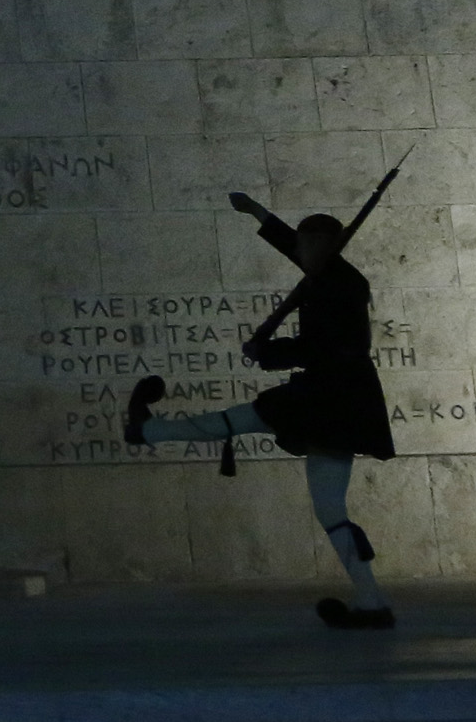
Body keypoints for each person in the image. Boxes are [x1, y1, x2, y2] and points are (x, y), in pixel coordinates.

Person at [125, 189, 398, 630]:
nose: (301, 252)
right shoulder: (328, 274)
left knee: (247, 416)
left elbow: (319, 346)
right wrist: (255, 211)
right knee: (330, 510)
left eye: (309, 245)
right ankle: (372, 604)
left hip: (331, 397)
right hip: (336, 400)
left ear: (327, 246)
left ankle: (147, 431)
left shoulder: (342, 285)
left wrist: (265, 352)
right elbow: (293, 246)